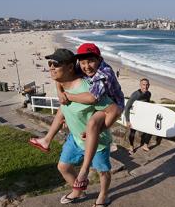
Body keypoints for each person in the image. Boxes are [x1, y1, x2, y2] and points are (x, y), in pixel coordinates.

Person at [30, 43, 124, 191]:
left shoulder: (101, 75)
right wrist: (61, 92)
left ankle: (91, 178)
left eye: (56, 64)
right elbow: (59, 78)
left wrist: (68, 96)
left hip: (114, 106)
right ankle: (47, 140)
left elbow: (95, 99)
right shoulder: (79, 69)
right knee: (63, 109)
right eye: (50, 64)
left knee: (93, 125)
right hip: (76, 138)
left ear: (99, 59)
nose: (86, 66)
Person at [123, 78, 153, 154]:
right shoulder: (136, 94)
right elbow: (127, 107)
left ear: (149, 85)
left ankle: (145, 145)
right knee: (133, 132)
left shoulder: (149, 94)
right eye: (143, 85)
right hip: (135, 116)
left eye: (147, 85)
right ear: (140, 85)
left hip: (144, 115)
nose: (145, 87)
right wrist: (127, 120)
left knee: (150, 129)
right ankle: (131, 146)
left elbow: (147, 104)